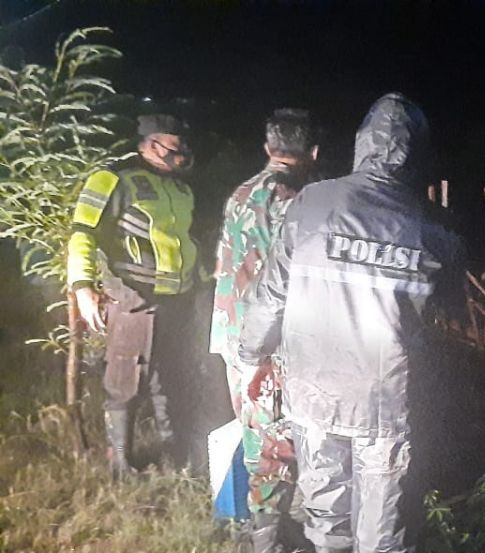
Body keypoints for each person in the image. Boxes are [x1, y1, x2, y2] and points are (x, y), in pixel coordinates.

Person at [239, 92, 463, 553]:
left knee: (325, 517)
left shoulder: (311, 202)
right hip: (384, 402)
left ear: (362, 145)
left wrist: (251, 356)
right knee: (383, 532)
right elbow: (448, 321)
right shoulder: (436, 227)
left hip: (312, 396)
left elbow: (270, 293)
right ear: (418, 154)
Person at [210, 108, 319, 552]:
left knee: (255, 429)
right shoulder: (297, 198)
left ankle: (267, 527)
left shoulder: (240, 193)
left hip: (231, 333)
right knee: (277, 440)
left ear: (268, 147)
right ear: (313, 151)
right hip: (269, 341)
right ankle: (267, 541)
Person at [67, 114, 198, 479]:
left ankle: (176, 455)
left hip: (178, 299)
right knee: (126, 378)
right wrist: (82, 287)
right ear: (149, 144)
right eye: (174, 146)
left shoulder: (181, 189)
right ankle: (121, 467)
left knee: (170, 378)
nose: (181, 153)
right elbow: (82, 232)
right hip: (132, 296)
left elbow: (185, 242)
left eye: (183, 145)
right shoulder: (111, 179)